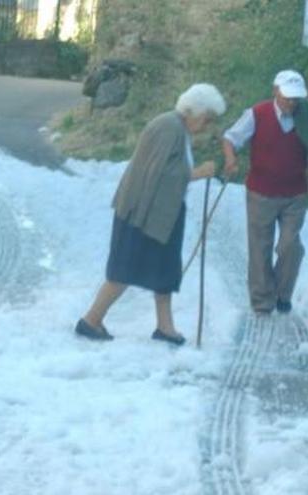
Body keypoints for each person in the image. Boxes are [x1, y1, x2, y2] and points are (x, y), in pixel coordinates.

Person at [75, 83, 227, 346]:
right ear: (193, 111)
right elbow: (158, 173)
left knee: (165, 270)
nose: (206, 126)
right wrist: (199, 173)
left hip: (160, 214)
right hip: (141, 213)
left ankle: (165, 327)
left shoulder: (178, 129)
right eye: (206, 119)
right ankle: (91, 320)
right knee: (123, 271)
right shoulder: (169, 128)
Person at [222, 70, 308, 315]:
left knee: (291, 245)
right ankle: (262, 301)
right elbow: (230, 138)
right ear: (275, 92)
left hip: (294, 193)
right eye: (288, 97)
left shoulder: (307, 116)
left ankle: (282, 292)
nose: (292, 102)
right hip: (261, 192)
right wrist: (230, 159)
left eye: (296, 98)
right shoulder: (257, 114)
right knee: (260, 247)